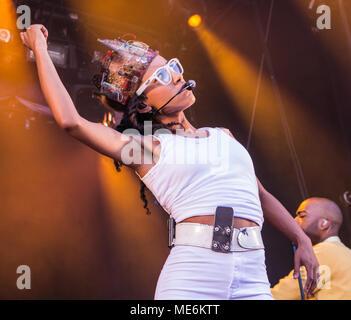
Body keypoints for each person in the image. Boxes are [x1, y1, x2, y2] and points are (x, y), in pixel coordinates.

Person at [19, 24, 319, 300]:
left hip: (253, 273)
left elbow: (261, 196)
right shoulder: (148, 149)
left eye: (173, 67)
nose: (176, 75)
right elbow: (72, 123)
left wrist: (301, 239)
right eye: (161, 76)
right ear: (145, 102)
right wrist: (40, 48)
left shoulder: (222, 136)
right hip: (193, 277)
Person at [271, 197, 351, 300]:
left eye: (302, 216)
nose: (294, 221)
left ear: (324, 223)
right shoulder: (346, 252)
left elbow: (281, 295)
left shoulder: (323, 252)